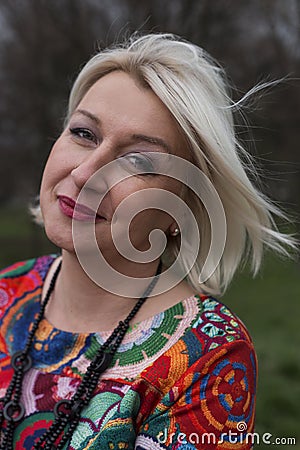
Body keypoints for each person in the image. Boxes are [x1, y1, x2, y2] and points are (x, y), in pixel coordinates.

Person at [0, 33, 297, 450]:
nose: (86, 173)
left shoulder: (207, 356)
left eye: (137, 160)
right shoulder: (6, 291)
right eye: (84, 133)